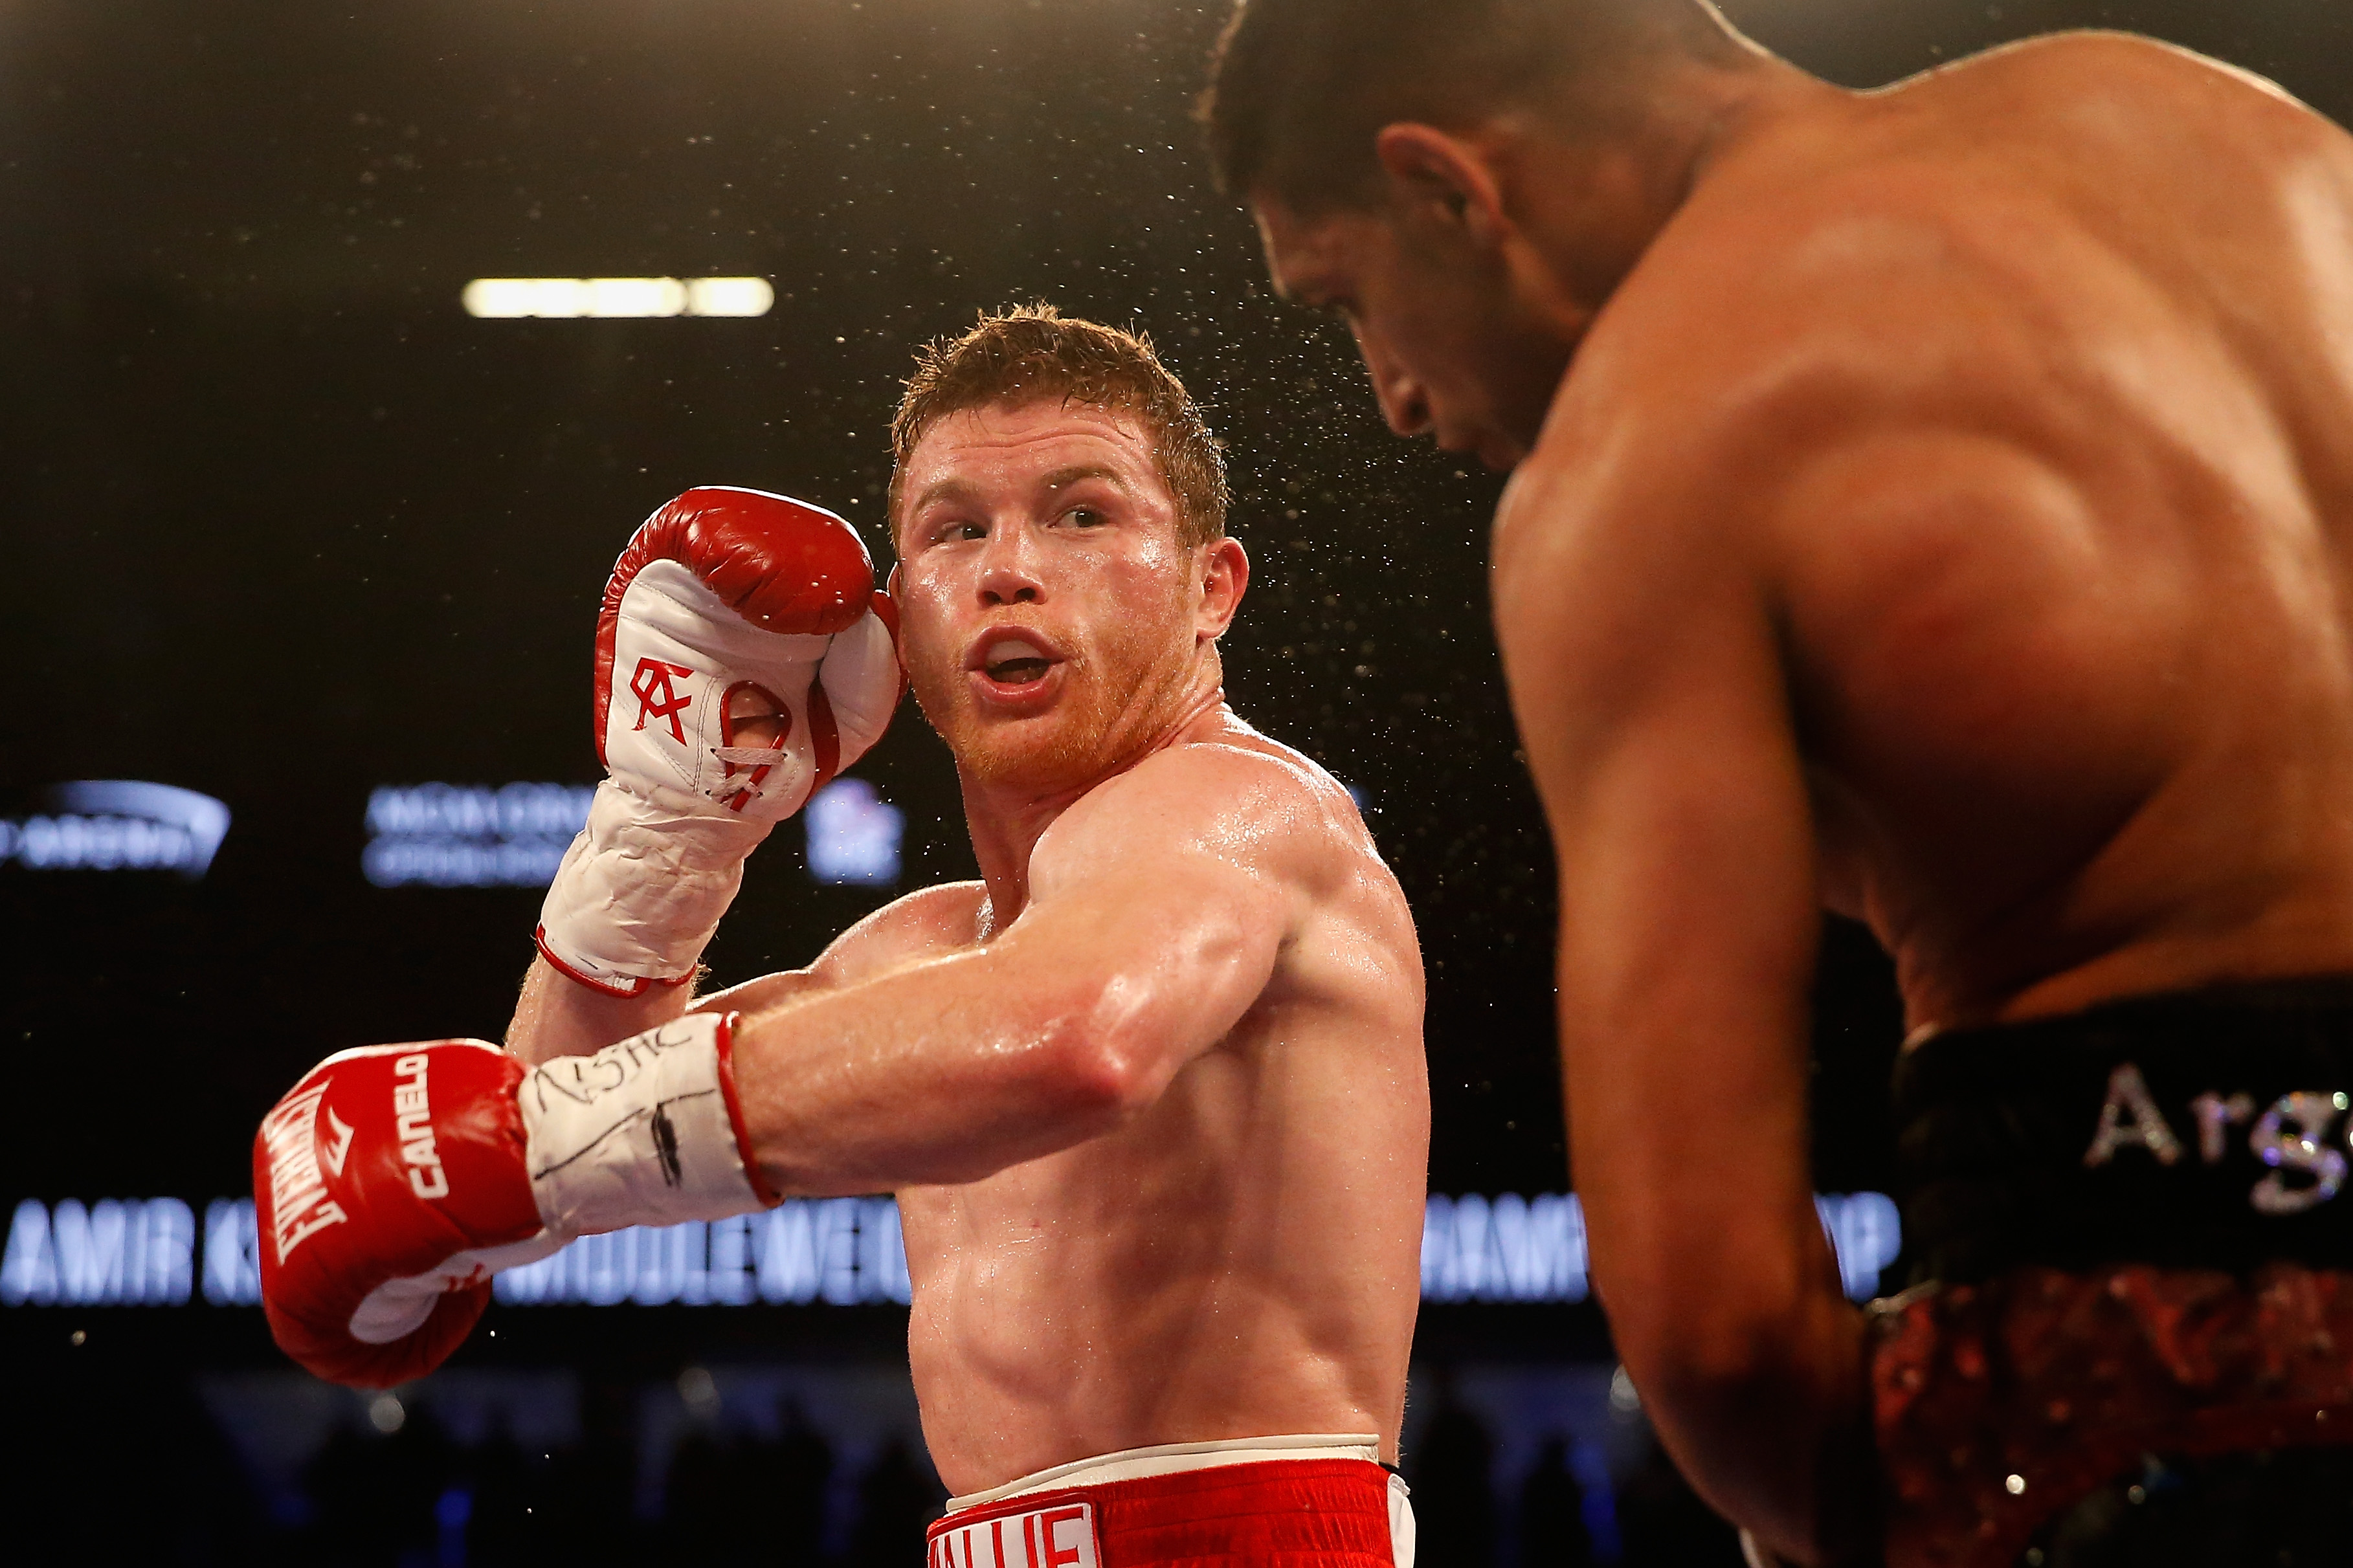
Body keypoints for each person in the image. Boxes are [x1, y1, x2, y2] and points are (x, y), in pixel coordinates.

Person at [1201, 2, 2353, 1564]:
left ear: (1449, 191)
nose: (1393, 394)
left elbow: (1719, 1324)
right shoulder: (2243, 134)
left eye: (1347, 301)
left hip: (2134, 1362)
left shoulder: (1646, 456)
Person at [253, 307, 1429, 1568]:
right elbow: (558, 1121)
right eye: (954, 529)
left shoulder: (1246, 808)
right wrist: (670, 833)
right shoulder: (916, 958)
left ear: (1212, 587)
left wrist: (529, 1147)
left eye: (1082, 514)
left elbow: (1076, 1041)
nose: (1009, 568)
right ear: (900, 616)